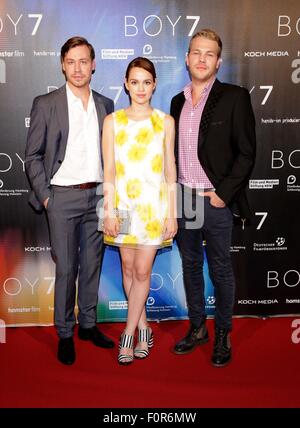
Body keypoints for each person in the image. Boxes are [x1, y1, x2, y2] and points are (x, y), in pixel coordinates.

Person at [25, 36, 115, 365]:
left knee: (92, 266)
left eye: (84, 61)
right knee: (67, 269)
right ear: (63, 64)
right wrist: (47, 198)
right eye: (71, 61)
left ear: (93, 65)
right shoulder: (45, 103)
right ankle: (65, 332)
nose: (78, 68)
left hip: (97, 196)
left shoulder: (106, 105)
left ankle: (88, 325)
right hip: (61, 197)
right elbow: (32, 155)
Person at [170, 29, 256, 367]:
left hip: (215, 200)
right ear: (187, 58)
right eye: (196, 52)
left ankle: (222, 333)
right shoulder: (177, 101)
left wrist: (223, 194)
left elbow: (247, 153)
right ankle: (197, 328)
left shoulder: (235, 97)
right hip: (185, 199)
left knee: (221, 270)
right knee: (190, 266)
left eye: (209, 54)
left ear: (218, 61)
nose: (202, 59)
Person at [102, 57, 177, 365]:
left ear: (154, 84)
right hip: (121, 206)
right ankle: (145, 326)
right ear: (126, 83)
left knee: (143, 271)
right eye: (135, 82)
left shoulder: (165, 122)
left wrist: (172, 212)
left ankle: (128, 334)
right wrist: (107, 210)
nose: (141, 88)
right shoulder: (112, 122)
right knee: (129, 270)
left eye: (147, 82)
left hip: (153, 207)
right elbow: (108, 171)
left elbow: (171, 170)